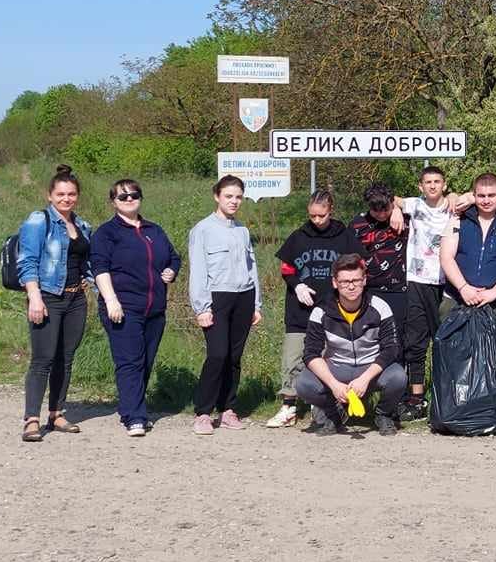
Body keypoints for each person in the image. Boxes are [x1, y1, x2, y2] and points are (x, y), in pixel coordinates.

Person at [90, 177, 180, 437]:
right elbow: (100, 268)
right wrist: (111, 300)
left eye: (134, 194)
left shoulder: (154, 230)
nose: (129, 199)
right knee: (130, 361)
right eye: (123, 196)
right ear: (113, 202)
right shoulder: (107, 233)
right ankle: (135, 417)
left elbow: (173, 257)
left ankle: (130, 407)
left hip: (155, 309)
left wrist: (171, 270)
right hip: (123, 307)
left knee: (146, 360)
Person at [267, 190, 360, 429]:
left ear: (331, 211)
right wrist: (296, 285)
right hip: (300, 309)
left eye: (321, 215)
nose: (317, 220)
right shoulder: (299, 236)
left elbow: (358, 266)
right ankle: (289, 406)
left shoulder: (345, 236)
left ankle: (320, 403)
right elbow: (286, 268)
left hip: (332, 310)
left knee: (326, 358)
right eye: (312, 216)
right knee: (293, 357)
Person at [17, 165, 95, 442]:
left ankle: (56, 413)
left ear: (77, 196)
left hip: (76, 299)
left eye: (71, 194)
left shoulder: (83, 226)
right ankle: (32, 419)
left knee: (66, 358)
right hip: (48, 296)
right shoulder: (39, 220)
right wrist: (35, 297)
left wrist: (102, 292)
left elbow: (86, 265)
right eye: (60, 194)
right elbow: (27, 261)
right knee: (43, 359)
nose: (66, 199)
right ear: (49, 195)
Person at [294, 254, 409, 435]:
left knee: (398, 377)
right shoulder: (321, 311)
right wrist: (334, 385)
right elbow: (311, 353)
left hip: (370, 366)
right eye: (345, 281)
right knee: (303, 384)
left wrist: (365, 379)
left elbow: (392, 348)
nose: (351, 286)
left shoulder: (380, 307)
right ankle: (334, 414)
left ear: (364, 281)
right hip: (337, 366)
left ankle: (383, 414)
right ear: (335, 283)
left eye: (356, 280)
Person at [187, 174, 261, 435]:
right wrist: (201, 307)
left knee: (234, 357)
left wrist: (256, 304)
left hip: (243, 297)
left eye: (238, 197)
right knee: (218, 355)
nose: (234, 201)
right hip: (217, 298)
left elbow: (252, 268)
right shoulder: (202, 230)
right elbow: (198, 270)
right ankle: (203, 412)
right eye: (228, 196)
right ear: (216, 196)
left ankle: (228, 409)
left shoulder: (242, 230)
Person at [398, 166, 469, 419]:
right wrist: (395, 209)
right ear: (420, 186)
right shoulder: (414, 205)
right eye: (427, 182)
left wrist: (461, 196)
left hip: (446, 281)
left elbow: (483, 195)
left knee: (446, 340)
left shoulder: (454, 206)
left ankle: (447, 395)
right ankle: (417, 398)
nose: (432, 186)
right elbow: (389, 199)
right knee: (415, 342)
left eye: (437, 181)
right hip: (417, 280)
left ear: (444, 184)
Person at [439, 172, 496, 320]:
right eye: (481, 196)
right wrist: (463, 288)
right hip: (456, 299)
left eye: (491, 195)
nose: (486, 200)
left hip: (495, 303)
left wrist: (493, 293)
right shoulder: (458, 220)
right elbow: (446, 257)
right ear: (474, 196)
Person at [348, 181, 410, 325]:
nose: (382, 214)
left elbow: (431, 204)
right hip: (368, 290)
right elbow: (349, 257)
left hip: (398, 290)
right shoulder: (357, 224)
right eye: (376, 210)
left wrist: (396, 209)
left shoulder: (405, 218)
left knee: (396, 333)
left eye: (385, 209)